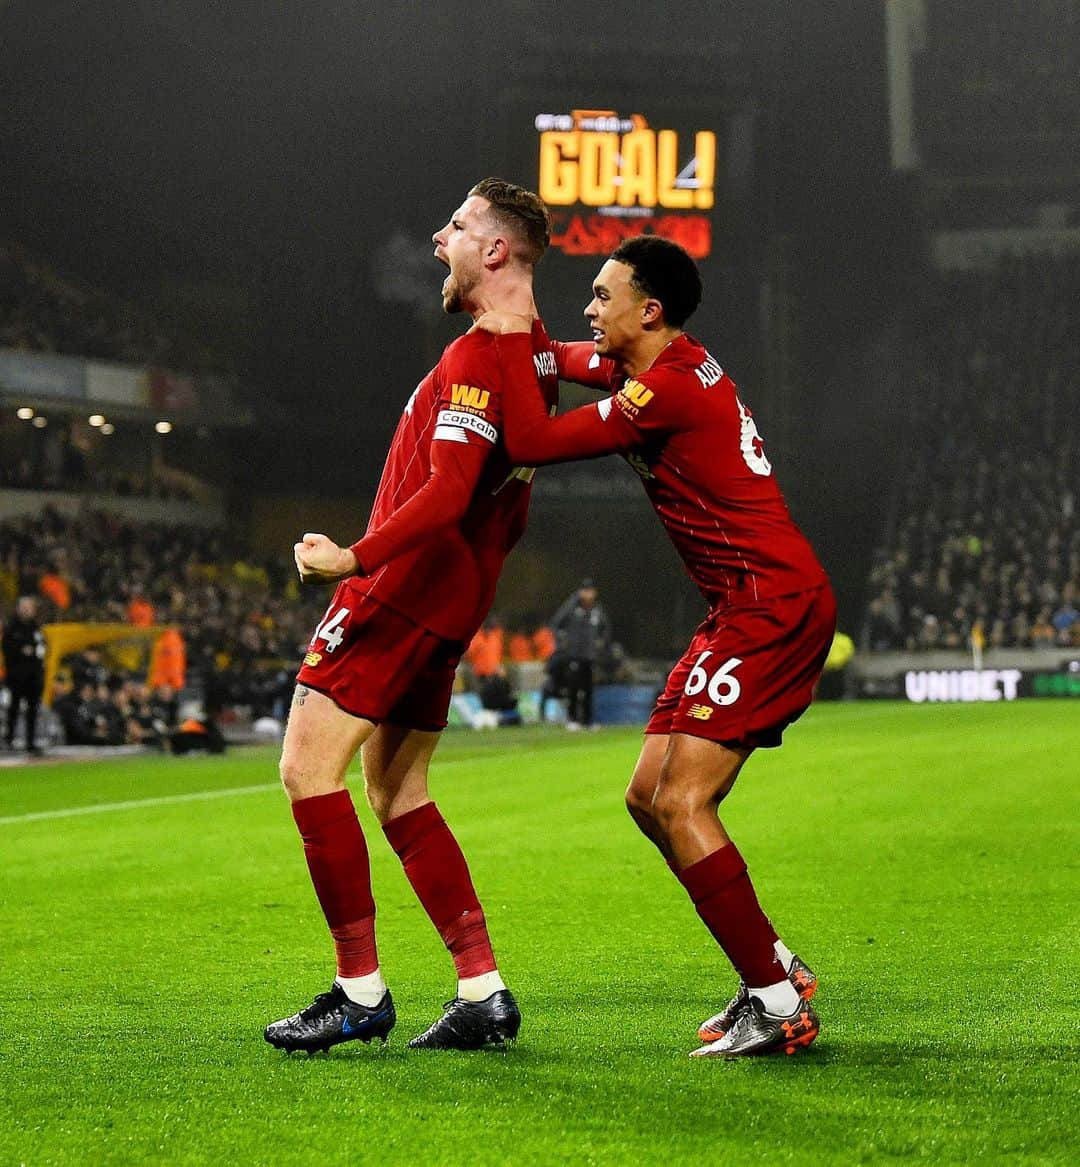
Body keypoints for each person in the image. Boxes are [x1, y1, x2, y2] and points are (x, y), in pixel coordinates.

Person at [483, 235, 836, 1058]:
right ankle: (773, 961)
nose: (588, 307)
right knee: (648, 797)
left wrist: (502, 344)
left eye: (603, 295)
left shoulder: (668, 389)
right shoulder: (667, 366)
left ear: (649, 309)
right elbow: (566, 353)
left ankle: (778, 1003)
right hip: (738, 607)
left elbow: (533, 440)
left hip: (769, 605)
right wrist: (505, 319)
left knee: (684, 804)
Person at [263, 178, 559, 1055]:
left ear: (497, 251)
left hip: (402, 588)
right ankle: (481, 988)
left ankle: (358, 990)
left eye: (460, 226)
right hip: (453, 600)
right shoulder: (534, 351)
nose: (441, 237)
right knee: (397, 791)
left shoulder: (477, 358)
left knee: (305, 771)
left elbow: (448, 489)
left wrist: (353, 558)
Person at [550, 579, 609, 730]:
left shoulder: (597, 610)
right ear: (580, 592)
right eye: (585, 591)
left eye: (590, 591)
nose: (588, 594)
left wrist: (600, 643)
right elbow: (556, 624)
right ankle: (572, 720)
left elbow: (606, 628)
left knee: (588, 689)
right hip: (573, 655)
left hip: (589, 656)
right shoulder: (571, 607)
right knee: (573, 688)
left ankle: (588, 721)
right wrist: (563, 643)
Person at [2, 595, 47, 754]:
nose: (27, 610)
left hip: (34, 677)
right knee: (13, 709)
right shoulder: (12, 627)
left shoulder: (36, 628)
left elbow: (41, 649)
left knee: (32, 710)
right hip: (17, 676)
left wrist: (30, 652)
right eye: (24, 607)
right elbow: (8, 649)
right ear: (18, 609)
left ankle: (30, 742)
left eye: (29, 608)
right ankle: (9, 740)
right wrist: (24, 651)